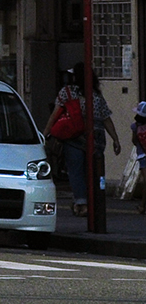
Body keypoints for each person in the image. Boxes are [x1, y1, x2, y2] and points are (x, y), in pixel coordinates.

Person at [48, 64, 121, 217]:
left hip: (75, 136)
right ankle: (94, 202)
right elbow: (106, 119)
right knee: (93, 171)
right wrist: (115, 139)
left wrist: (45, 132)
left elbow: (55, 114)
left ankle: (81, 203)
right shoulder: (96, 95)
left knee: (76, 171)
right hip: (97, 138)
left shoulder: (67, 92)